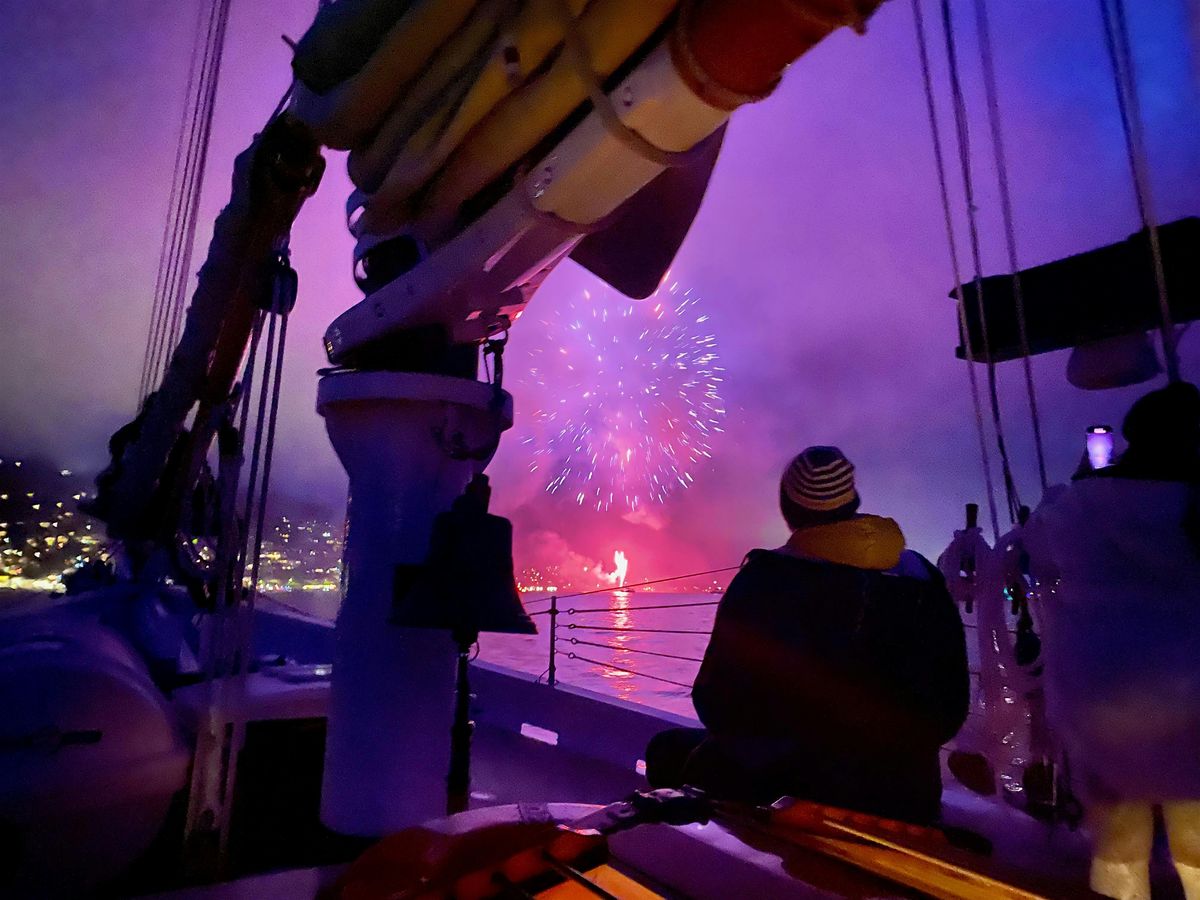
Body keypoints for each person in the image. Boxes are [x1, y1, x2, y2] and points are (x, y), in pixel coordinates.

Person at [645, 446, 969, 824]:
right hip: (906, 793)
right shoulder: (923, 578)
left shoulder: (764, 581)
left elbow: (715, 701)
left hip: (792, 790)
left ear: (788, 509)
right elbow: (950, 707)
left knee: (667, 751)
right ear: (854, 501)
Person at [1024, 382, 1200, 900]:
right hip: (1189, 696)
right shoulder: (1191, 504)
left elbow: (1038, 548)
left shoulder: (1076, 505)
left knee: (1117, 844)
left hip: (1099, 695)